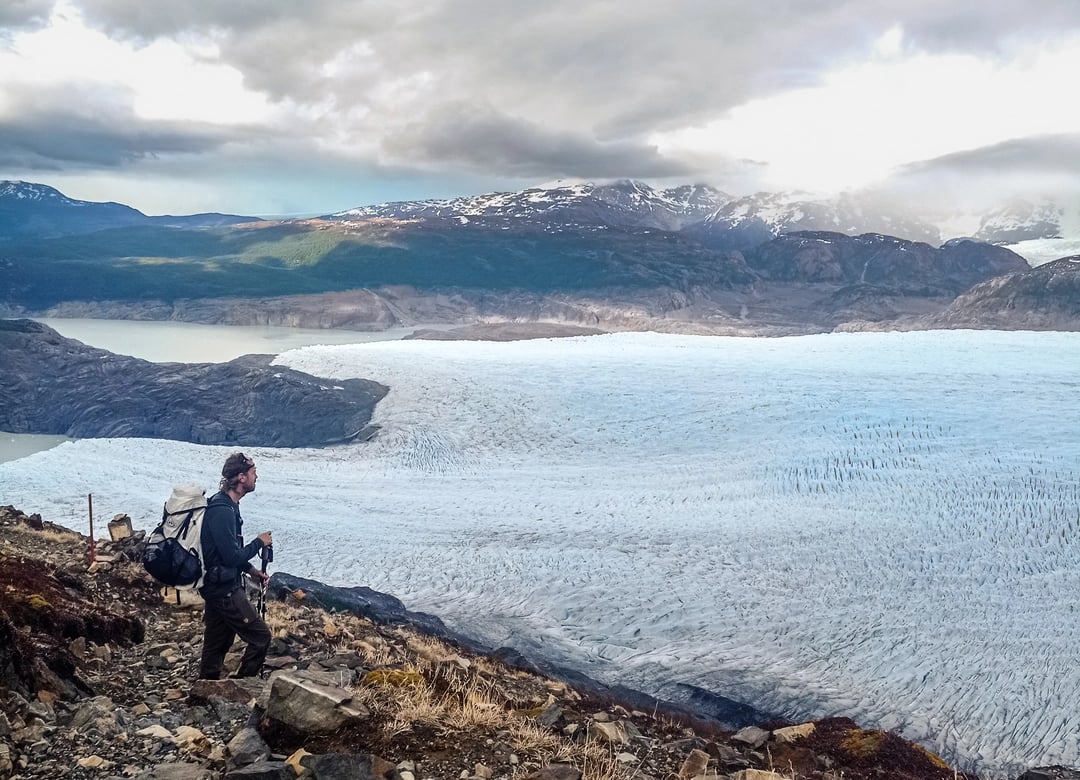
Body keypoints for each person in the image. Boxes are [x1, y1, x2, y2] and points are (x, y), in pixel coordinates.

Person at [197, 452, 273, 680]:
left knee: (218, 640)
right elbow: (230, 556)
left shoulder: (228, 505)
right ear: (241, 477)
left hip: (218, 584)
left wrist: (251, 571)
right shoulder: (221, 509)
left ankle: (204, 688)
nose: (256, 476)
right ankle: (244, 684)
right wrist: (259, 542)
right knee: (260, 637)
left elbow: (226, 552)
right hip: (224, 589)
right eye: (253, 472)